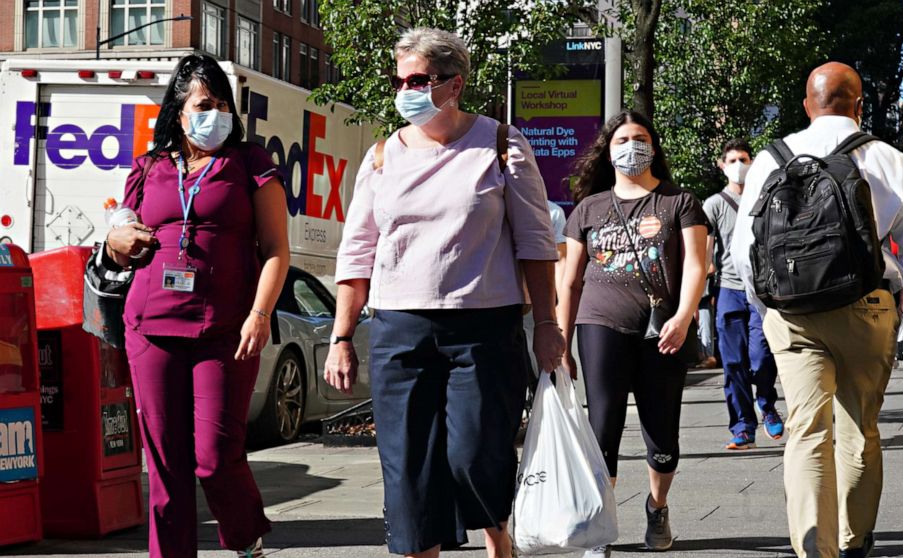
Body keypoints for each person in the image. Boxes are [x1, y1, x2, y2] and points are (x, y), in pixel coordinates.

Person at [323, 27, 564, 558]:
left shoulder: (501, 144)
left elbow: (535, 244)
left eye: (417, 80)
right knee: (408, 473)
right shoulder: (383, 155)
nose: (404, 90)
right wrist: (342, 335)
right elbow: (357, 249)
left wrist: (547, 324)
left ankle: (500, 541)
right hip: (398, 330)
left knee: (474, 457)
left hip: (483, 329)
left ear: (453, 85)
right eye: (399, 79)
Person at [731, 62, 903, 558]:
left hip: (792, 314)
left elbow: (746, 252)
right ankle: (854, 541)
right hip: (866, 309)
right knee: (859, 428)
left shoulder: (770, 160)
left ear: (807, 105)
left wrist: (768, 309)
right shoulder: (891, 161)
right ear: (858, 105)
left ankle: (816, 549)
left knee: (806, 431)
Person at [103, 54, 289, 558]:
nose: (217, 113)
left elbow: (276, 250)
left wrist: (260, 313)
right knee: (166, 469)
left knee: (214, 458)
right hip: (150, 327)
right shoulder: (149, 167)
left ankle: (246, 542)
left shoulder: (251, 163)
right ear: (179, 113)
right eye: (205, 104)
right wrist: (119, 238)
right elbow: (118, 237)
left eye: (223, 103)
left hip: (225, 330)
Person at [559, 110, 708, 557]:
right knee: (602, 426)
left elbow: (697, 266)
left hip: (662, 330)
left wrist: (684, 317)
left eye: (639, 138)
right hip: (599, 322)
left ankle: (657, 505)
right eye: (621, 139)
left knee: (662, 435)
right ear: (608, 150)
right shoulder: (589, 208)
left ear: (654, 146)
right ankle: (600, 525)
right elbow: (569, 280)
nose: (631, 146)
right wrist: (561, 343)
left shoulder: (679, 202)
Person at [703, 139, 783, 450]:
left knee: (762, 357)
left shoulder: (763, 198)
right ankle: (742, 426)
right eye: (733, 159)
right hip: (729, 290)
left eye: (744, 158)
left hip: (761, 291)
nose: (739, 165)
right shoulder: (713, 204)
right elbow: (706, 251)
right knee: (733, 362)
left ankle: (767, 404)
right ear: (722, 165)